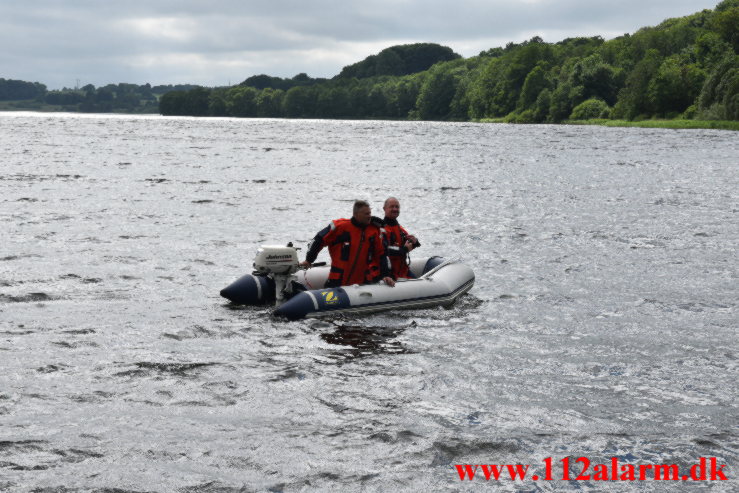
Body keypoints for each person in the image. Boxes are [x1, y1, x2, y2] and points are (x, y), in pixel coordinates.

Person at [301, 200, 395, 287]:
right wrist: (309, 260)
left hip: (361, 281)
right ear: (356, 214)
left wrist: (386, 275)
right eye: (366, 214)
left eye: (370, 213)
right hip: (338, 280)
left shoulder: (374, 231)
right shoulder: (340, 227)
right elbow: (318, 240)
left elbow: (382, 254)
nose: (369, 216)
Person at [381, 197, 420, 279]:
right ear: (384, 209)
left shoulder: (400, 229)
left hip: (403, 271)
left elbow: (407, 246)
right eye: (392, 206)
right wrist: (404, 249)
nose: (395, 209)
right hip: (389, 273)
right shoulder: (381, 229)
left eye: (397, 207)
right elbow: (384, 250)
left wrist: (415, 242)